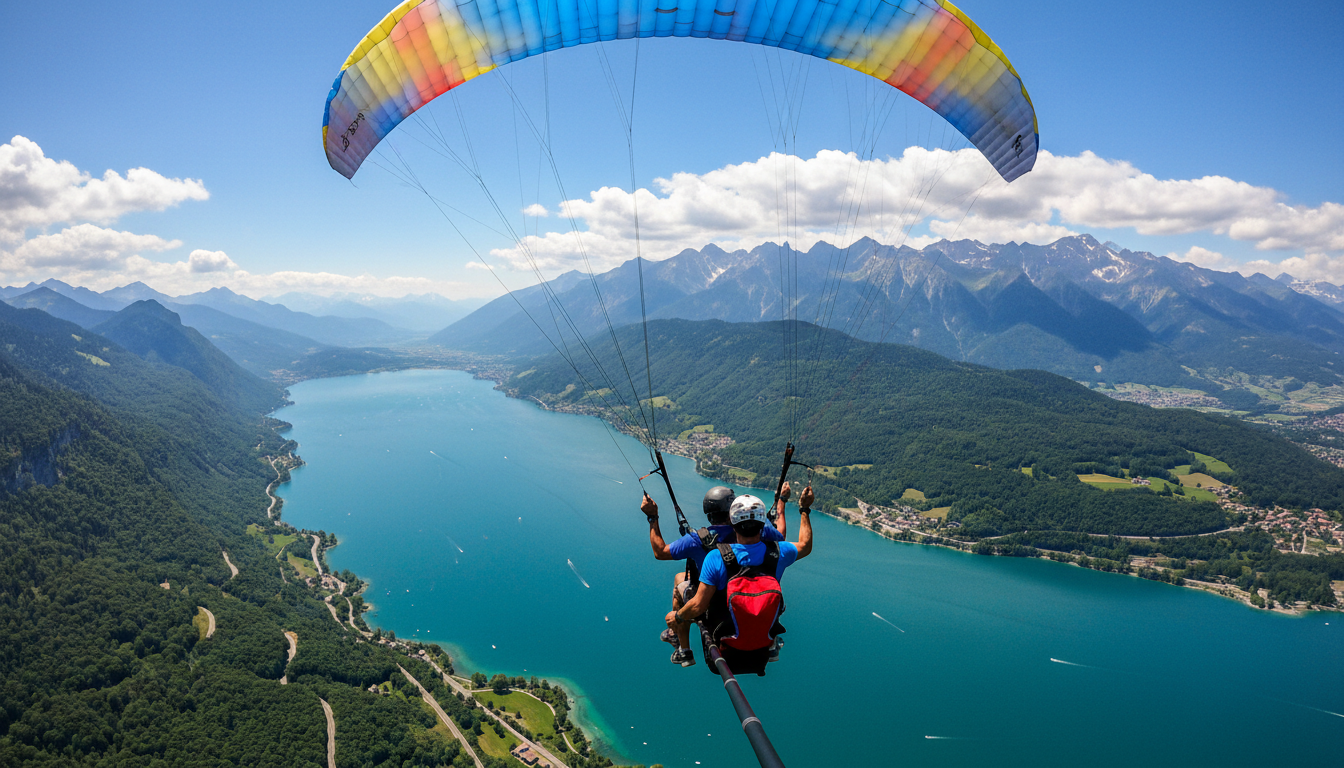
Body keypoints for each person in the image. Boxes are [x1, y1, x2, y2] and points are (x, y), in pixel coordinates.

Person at [641, 484, 793, 666]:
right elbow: (781, 538)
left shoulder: (698, 539)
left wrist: (652, 517)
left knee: (679, 583)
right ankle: (772, 639)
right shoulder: (759, 532)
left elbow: (660, 552)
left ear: (709, 513)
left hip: (709, 602)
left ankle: (682, 648)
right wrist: (782, 503)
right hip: (748, 598)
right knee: (681, 578)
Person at [668, 490, 813, 675]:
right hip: (762, 650)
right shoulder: (780, 552)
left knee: (681, 587)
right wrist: (804, 509)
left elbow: (697, 605)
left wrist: (678, 617)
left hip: (723, 651)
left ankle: (683, 650)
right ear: (762, 525)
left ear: (732, 523)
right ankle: (773, 642)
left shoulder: (716, 557)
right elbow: (806, 545)